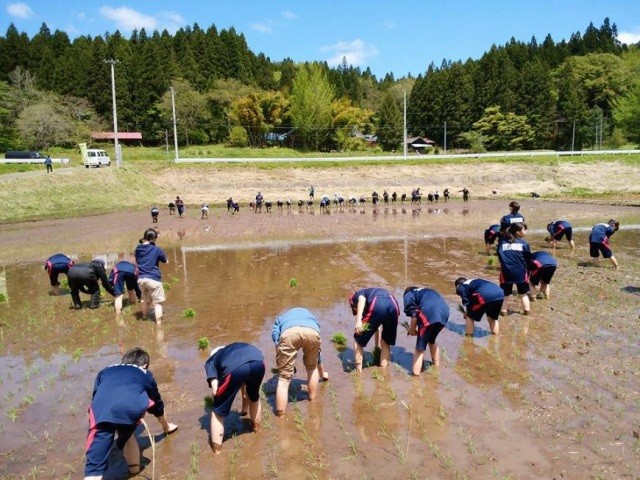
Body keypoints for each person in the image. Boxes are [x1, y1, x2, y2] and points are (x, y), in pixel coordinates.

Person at [83, 347, 178, 479]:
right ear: (145, 365)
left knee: (94, 466)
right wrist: (166, 426)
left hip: (102, 409)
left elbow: (96, 395)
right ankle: (134, 470)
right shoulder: (145, 373)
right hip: (131, 407)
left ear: (124, 361)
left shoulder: (105, 371)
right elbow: (156, 404)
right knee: (127, 431)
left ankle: (94, 473)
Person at [204, 343, 264, 454]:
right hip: (258, 361)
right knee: (254, 397)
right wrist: (243, 410)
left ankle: (217, 451)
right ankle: (256, 430)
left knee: (217, 411)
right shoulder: (232, 350)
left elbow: (214, 388)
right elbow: (244, 385)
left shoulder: (211, 361)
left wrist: (217, 399)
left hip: (236, 368)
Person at [271, 307, 322, 416]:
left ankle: (280, 415)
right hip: (312, 332)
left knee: (284, 378)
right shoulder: (311, 316)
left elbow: (275, 333)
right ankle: (312, 399)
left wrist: (278, 346)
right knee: (312, 368)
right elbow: (317, 331)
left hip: (289, 333)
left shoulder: (282, 318)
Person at [348, 288, 400, 372]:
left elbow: (361, 299)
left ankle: (358, 372)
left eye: (356, 311)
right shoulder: (371, 295)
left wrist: (358, 321)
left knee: (358, 338)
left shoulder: (355, 296)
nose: (357, 312)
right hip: (393, 304)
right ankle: (383, 372)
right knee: (386, 342)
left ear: (353, 305)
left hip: (378, 302)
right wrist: (376, 347)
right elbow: (377, 328)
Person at [402, 286, 450, 375]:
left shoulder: (409, 293)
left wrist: (412, 330)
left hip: (429, 312)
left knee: (419, 349)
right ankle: (436, 367)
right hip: (445, 312)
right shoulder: (426, 291)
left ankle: (415, 376)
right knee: (431, 340)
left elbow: (414, 316)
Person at [496, 223, 532, 315]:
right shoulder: (523, 243)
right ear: (518, 232)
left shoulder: (502, 242)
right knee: (523, 294)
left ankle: (503, 313)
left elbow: (499, 255)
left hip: (506, 272)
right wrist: (528, 270)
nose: (525, 232)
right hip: (521, 272)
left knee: (505, 295)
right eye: (524, 230)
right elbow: (528, 258)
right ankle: (526, 313)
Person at [135, 228, 168, 323]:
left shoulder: (138, 248)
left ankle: (144, 317)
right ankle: (159, 325)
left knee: (146, 301)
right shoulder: (156, 249)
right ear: (153, 238)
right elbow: (166, 261)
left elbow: (138, 260)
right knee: (157, 304)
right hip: (153, 279)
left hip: (141, 280)